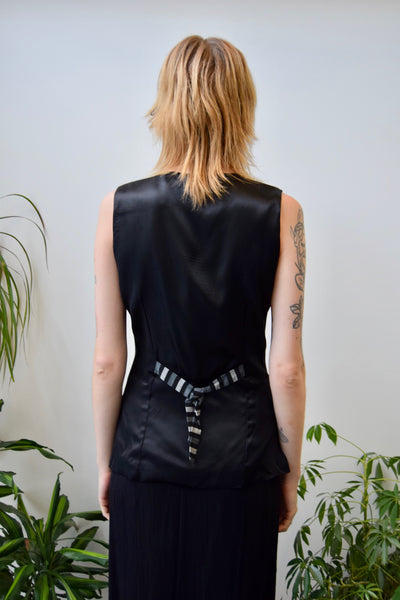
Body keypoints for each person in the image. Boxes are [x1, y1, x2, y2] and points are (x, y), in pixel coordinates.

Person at [92, 35, 306, 600]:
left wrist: (107, 462)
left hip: (143, 457)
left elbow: (108, 361)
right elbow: (286, 369)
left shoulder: (118, 210)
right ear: (242, 106)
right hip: (244, 463)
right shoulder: (281, 213)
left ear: (167, 105)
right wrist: (288, 470)